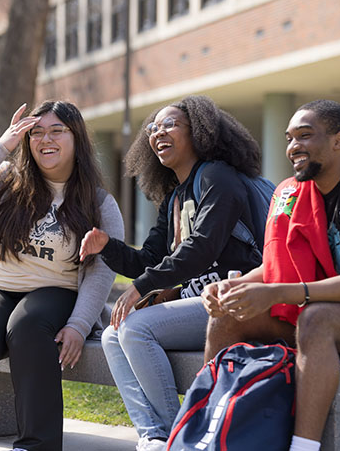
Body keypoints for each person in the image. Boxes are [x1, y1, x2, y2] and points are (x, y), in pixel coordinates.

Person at [79, 95, 267, 451]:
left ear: (199, 132)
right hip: (200, 305)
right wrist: (107, 247)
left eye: (169, 125)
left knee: (135, 328)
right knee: (112, 334)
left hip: (236, 302)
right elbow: (149, 259)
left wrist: (140, 289)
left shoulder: (218, 177)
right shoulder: (176, 196)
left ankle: (179, 436)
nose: (157, 133)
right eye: (153, 128)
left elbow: (202, 249)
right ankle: (153, 433)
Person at [202, 99, 340, 451]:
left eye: (305, 135)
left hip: (324, 315)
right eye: (289, 137)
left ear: (339, 141)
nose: (293, 146)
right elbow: (276, 266)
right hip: (313, 308)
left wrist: (280, 293)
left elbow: (284, 286)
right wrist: (231, 287)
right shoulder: (293, 193)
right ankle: (207, 428)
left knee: (315, 318)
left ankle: (304, 447)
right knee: (226, 318)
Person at [0, 101, 124, 451]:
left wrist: (78, 324)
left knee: (27, 328)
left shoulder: (99, 204)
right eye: (36, 132)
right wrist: (4, 143)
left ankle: (36, 446)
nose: (46, 138)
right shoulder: (6, 182)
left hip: (54, 291)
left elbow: (103, 270)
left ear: (77, 139)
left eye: (57, 130)